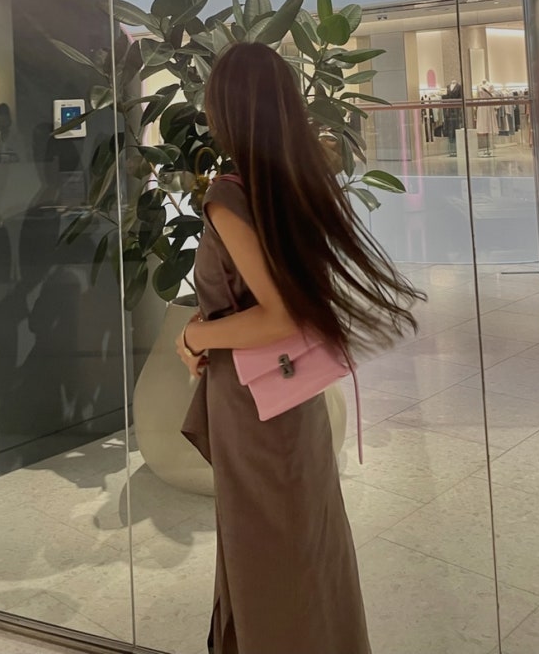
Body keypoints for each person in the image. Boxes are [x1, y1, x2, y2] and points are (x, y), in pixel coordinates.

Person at [176, 41, 422, 654]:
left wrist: (195, 334)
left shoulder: (230, 196)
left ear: (227, 111)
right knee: (306, 550)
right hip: (293, 401)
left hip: (254, 406)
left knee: (268, 561)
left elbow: (280, 314)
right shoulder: (292, 183)